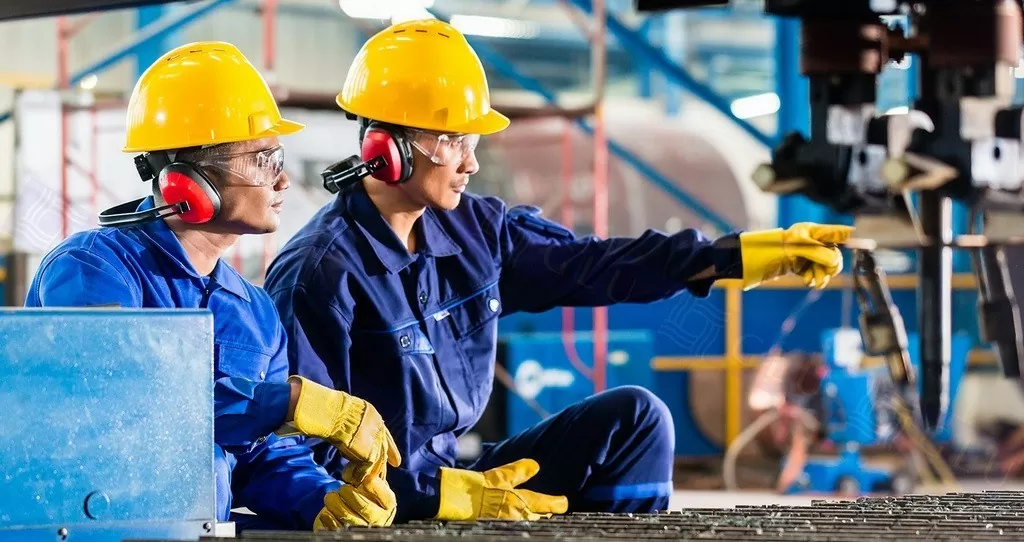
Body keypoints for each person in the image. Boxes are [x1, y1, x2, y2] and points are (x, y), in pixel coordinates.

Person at [263, 19, 854, 524]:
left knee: (636, 420)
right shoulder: (323, 273)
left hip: (459, 474)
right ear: (383, 149)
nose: (471, 161)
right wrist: (437, 497)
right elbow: (308, 463)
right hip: (387, 504)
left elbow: (596, 265)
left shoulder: (477, 231)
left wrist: (730, 256)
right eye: (451, 140)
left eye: (472, 140)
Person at [24, 41, 400, 531]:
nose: (283, 182)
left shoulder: (255, 311)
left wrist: (325, 502)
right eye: (264, 159)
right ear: (188, 180)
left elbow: (264, 458)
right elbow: (124, 407)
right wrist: (285, 402)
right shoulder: (93, 271)